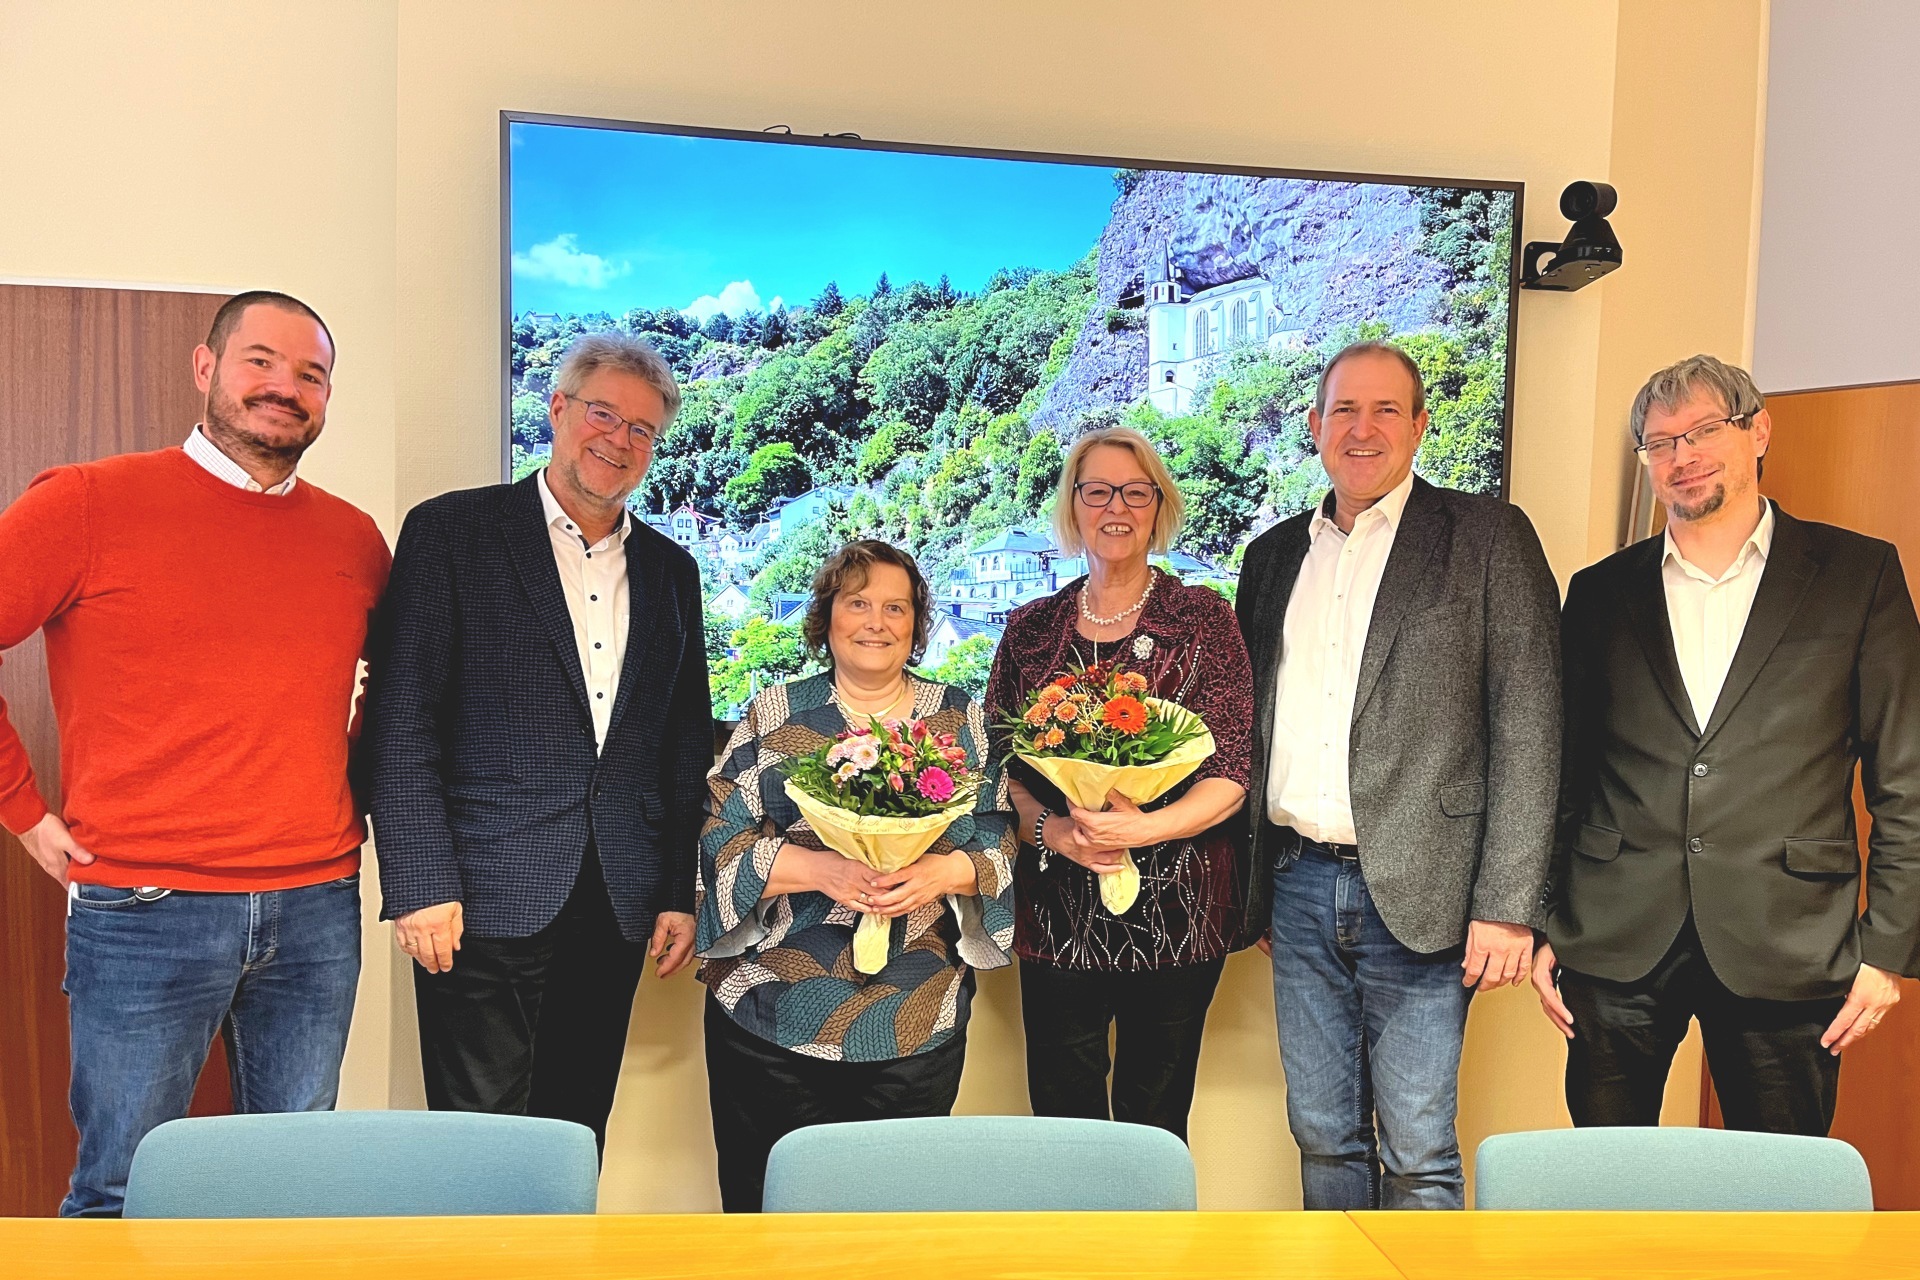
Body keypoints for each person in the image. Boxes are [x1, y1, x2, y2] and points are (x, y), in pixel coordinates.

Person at [0, 291, 390, 1216]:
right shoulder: (86, 503)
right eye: (261, 361)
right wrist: (22, 811)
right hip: (144, 909)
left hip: (317, 908)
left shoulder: (354, 538)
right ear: (205, 367)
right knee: (120, 1191)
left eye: (311, 374)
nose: (285, 387)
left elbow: (392, 697)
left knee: (291, 1195)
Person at [1535, 354, 1920, 1134]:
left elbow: (1906, 777)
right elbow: (1565, 772)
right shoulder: (1600, 591)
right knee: (1602, 1185)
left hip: (1788, 936)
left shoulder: (1858, 575)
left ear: (1759, 431)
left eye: (1705, 430)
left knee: (1777, 1188)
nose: (1683, 456)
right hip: (1614, 939)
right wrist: (1544, 919)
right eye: (1661, 442)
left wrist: (1888, 948)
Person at [364, 332, 711, 1156]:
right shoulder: (453, 532)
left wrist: (676, 889)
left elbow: (682, 742)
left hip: (617, 899)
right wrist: (418, 883)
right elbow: (401, 719)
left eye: (642, 430)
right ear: (557, 410)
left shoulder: (671, 572)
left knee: (576, 1130)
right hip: (477, 896)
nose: (619, 440)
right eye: (604, 414)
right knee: (479, 1144)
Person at [1236, 340, 1560, 1210]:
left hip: (1430, 894)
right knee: (1322, 1135)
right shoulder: (1272, 558)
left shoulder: (1487, 538)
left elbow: (1531, 725)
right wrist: (1258, 884)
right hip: (1298, 887)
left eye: (1386, 409)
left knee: (1417, 1147)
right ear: (1314, 426)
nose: (1363, 428)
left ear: (1419, 426)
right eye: (1344, 409)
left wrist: (1508, 905)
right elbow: (1253, 726)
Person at [696, 539, 1015, 1212]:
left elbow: (997, 833)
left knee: (891, 1228)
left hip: (914, 1017)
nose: (876, 622)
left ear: (916, 624)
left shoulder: (959, 718)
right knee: (768, 1219)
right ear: (827, 615)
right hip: (770, 1017)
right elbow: (720, 835)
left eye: (896, 608)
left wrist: (943, 872)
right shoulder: (775, 712)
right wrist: (822, 869)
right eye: (858, 603)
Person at [983, 427, 1254, 1143]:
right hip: (1055, 909)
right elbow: (1001, 769)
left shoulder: (1203, 620)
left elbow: (1232, 770)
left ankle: (1148, 1227)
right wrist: (1054, 832)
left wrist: (1142, 829)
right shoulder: (1031, 630)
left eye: (1137, 493)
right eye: (1098, 491)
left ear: (1159, 506)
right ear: (1072, 505)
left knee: (1155, 1119)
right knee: (1063, 1121)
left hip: (1179, 910)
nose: (1117, 508)